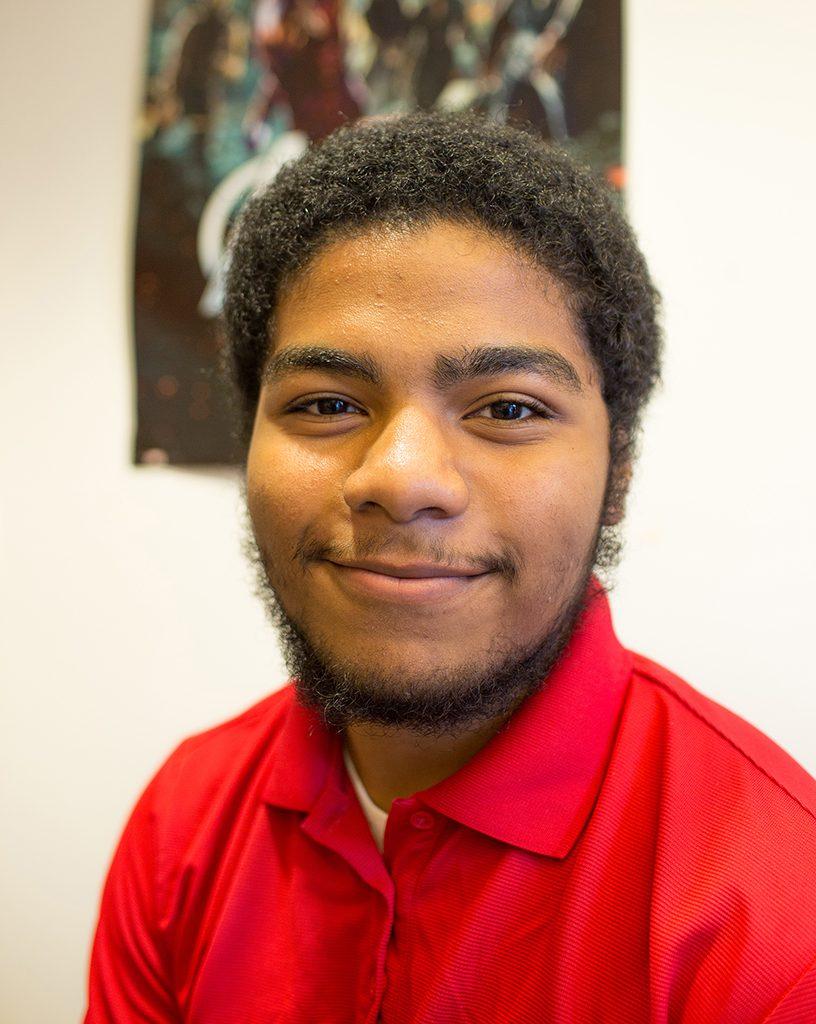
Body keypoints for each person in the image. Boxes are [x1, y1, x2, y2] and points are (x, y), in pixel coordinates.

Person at [83, 111, 816, 1022]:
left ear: (617, 474)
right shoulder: (182, 830)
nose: (401, 477)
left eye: (508, 410)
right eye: (324, 402)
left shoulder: (779, 915)